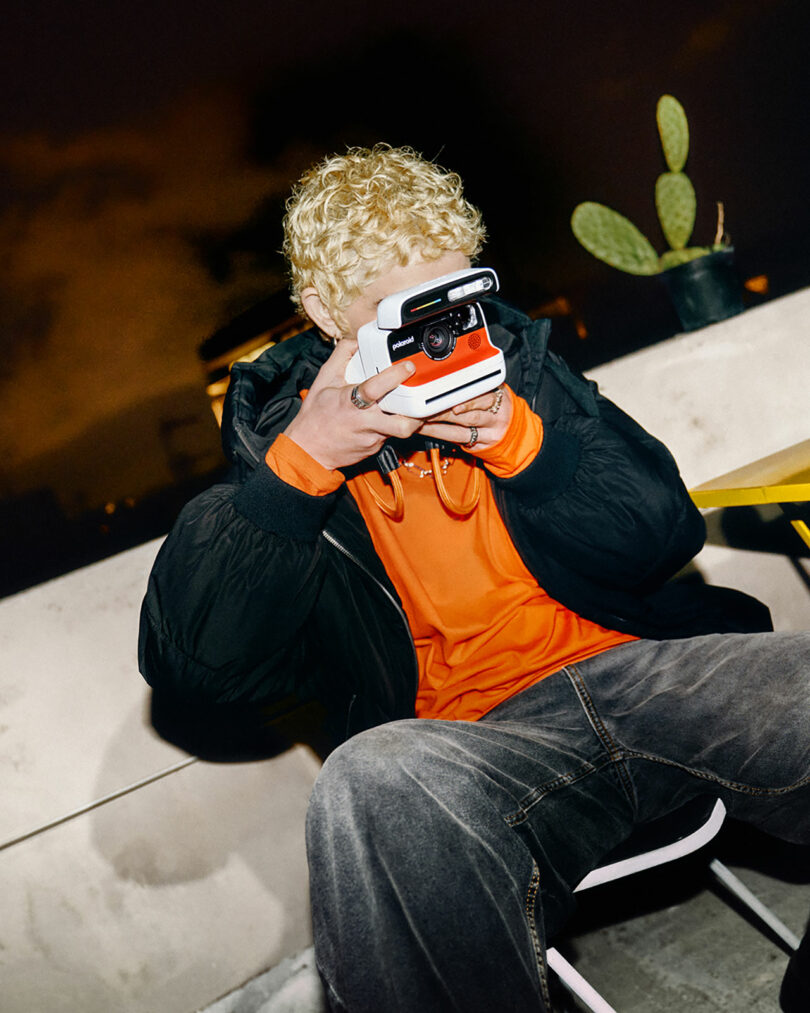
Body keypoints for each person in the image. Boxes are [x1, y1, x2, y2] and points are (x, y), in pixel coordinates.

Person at [139, 143, 810, 1012]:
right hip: (475, 747)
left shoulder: (521, 369)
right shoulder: (286, 446)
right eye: (407, 314)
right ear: (325, 313)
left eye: (457, 301)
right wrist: (301, 469)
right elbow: (196, 668)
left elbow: (662, 527)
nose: (445, 335)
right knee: (365, 780)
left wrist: (519, 440)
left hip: (642, 676)